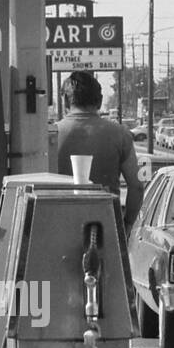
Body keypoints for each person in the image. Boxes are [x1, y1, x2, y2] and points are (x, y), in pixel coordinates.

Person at [54, 71, 142, 229]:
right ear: (100, 101)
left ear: (65, 100)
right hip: (107, 227)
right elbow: (136, 186)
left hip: (59, 225)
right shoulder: (120, 134)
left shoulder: (51, 135)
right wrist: (127, 224)